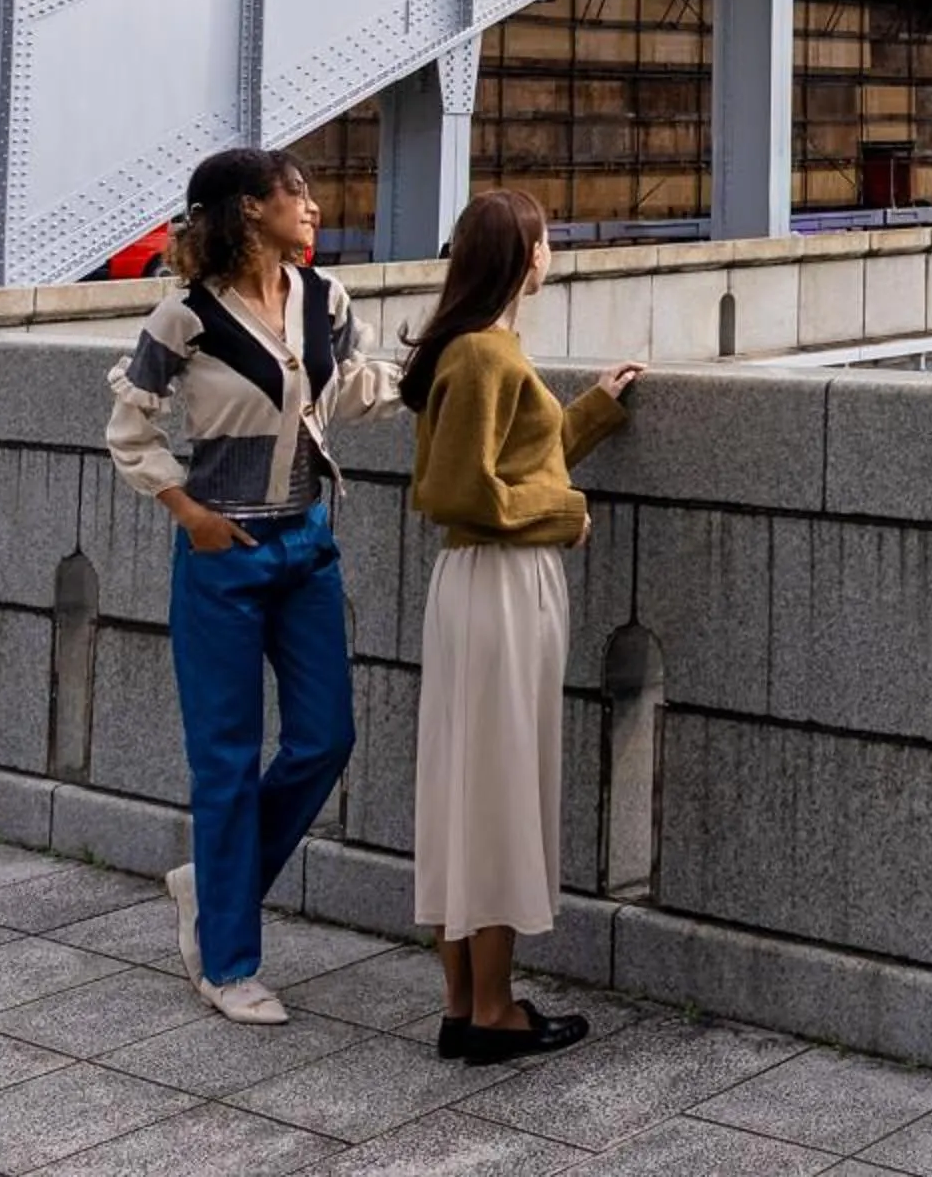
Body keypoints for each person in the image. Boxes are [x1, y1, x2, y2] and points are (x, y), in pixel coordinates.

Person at [101, 147, 403, 1024]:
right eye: (294, 194)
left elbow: (344, 393)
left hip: (307, 541)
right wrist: (186, 511)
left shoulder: (324, 300)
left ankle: (211, 884)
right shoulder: (183, 320)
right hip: (222, 550)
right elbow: (129, 429)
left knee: (325, 738)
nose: (310, 206)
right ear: (246, 210)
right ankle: (228, 963)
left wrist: (438, 369)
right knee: (226, 759)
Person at [402, 188, 644, 1064]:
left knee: (466, 788)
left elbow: (510, 464)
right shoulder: (486, 355)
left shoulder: (472, 351)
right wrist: (565, 516)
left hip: (478, 587)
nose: (550, 253)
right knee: (499, 787)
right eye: (543, 241)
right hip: (503, 584)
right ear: (522, 258)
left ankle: (467, 1002)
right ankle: (494, 1010)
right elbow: (459, 492)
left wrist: (590, 412)